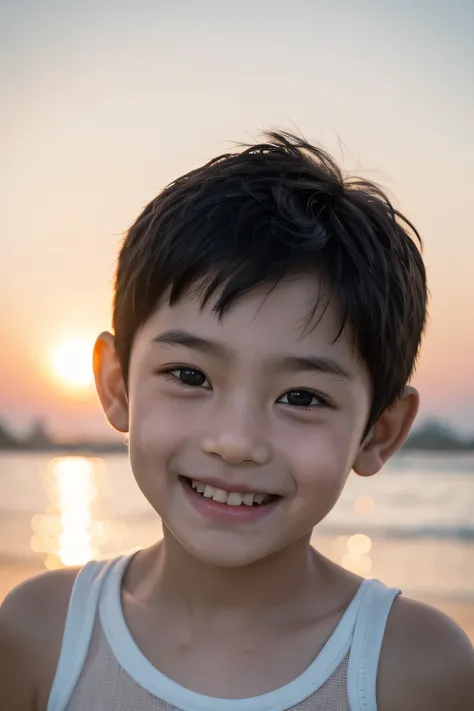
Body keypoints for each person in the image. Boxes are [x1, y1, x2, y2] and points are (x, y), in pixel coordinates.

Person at [1, 131, 473, 711]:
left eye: (301, 397)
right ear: (117, 385)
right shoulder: (40, 636)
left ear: (380, 432)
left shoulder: (416, 669)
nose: (235, 442)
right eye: (190, 376)